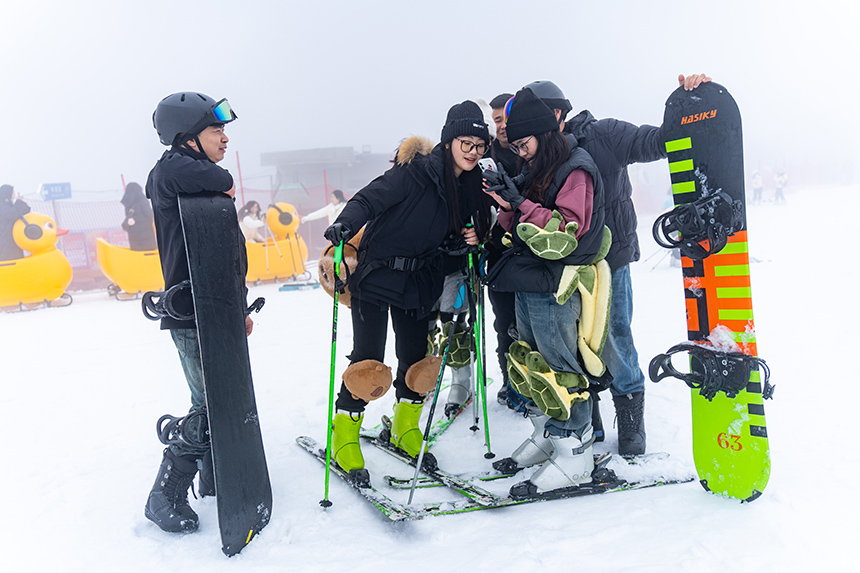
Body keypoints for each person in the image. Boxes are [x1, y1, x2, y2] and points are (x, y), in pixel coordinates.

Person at [524, 74, 710, 456]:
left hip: (610, 260)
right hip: (564, 265)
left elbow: (657, 141)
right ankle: (587, 418)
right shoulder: (539, 153)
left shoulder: (603, 135)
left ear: (557, 114)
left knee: (614, 338)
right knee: (575, 345)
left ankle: (630, 420)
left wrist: (691, 100)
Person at [322, 100, 492, 484]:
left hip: (420, 282)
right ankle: (344, 434)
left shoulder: (468, 188)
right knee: (368, 361)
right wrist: (344, 226)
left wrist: (470, 238)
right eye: (466, 142)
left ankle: (405, 426)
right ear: (449, 141)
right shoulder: (412, 173)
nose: (472, 152)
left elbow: (467, 230)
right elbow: (367, 199)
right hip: (378, 276)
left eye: (479, 146)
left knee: (417, 362)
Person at [483, 87, 611, 495]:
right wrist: (505, 200)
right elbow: (518, 221)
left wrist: (519, 201)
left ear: (545, 133)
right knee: (529, 358)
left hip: (557, 282)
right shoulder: (538, 164)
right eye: (516, 146)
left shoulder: (576, 169)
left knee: (559, 363)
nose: (520, 152)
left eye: (524, 143)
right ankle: (547, 434)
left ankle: (575, 451)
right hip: (529, 277)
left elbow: (567, 229)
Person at [144, 91, 251, 534]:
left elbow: (223, 249)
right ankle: (164, 494)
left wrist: (238, 305)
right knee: (213, 403)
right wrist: (220, 180)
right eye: (216, 130)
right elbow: (221, 177)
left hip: (215, 308)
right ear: (188, 138)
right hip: (191, 315)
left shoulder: (192, 173)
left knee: (210, 398)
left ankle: (212, 475)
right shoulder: (170, 171)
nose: (225, 138)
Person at [120, 182, 157, 251]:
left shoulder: (128, 204)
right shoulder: (142, 201)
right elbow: (150, 214)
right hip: (147, 242)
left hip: (135, 244)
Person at [0, 184, 31, 261]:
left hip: (11, 240)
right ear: (8, 193)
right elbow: (13, 214)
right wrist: (19, 202)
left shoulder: (9, 205)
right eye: (12, 192)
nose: (14, 193)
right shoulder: (2, 206)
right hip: (6, 242)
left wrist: (22, 203)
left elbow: (23, 212)